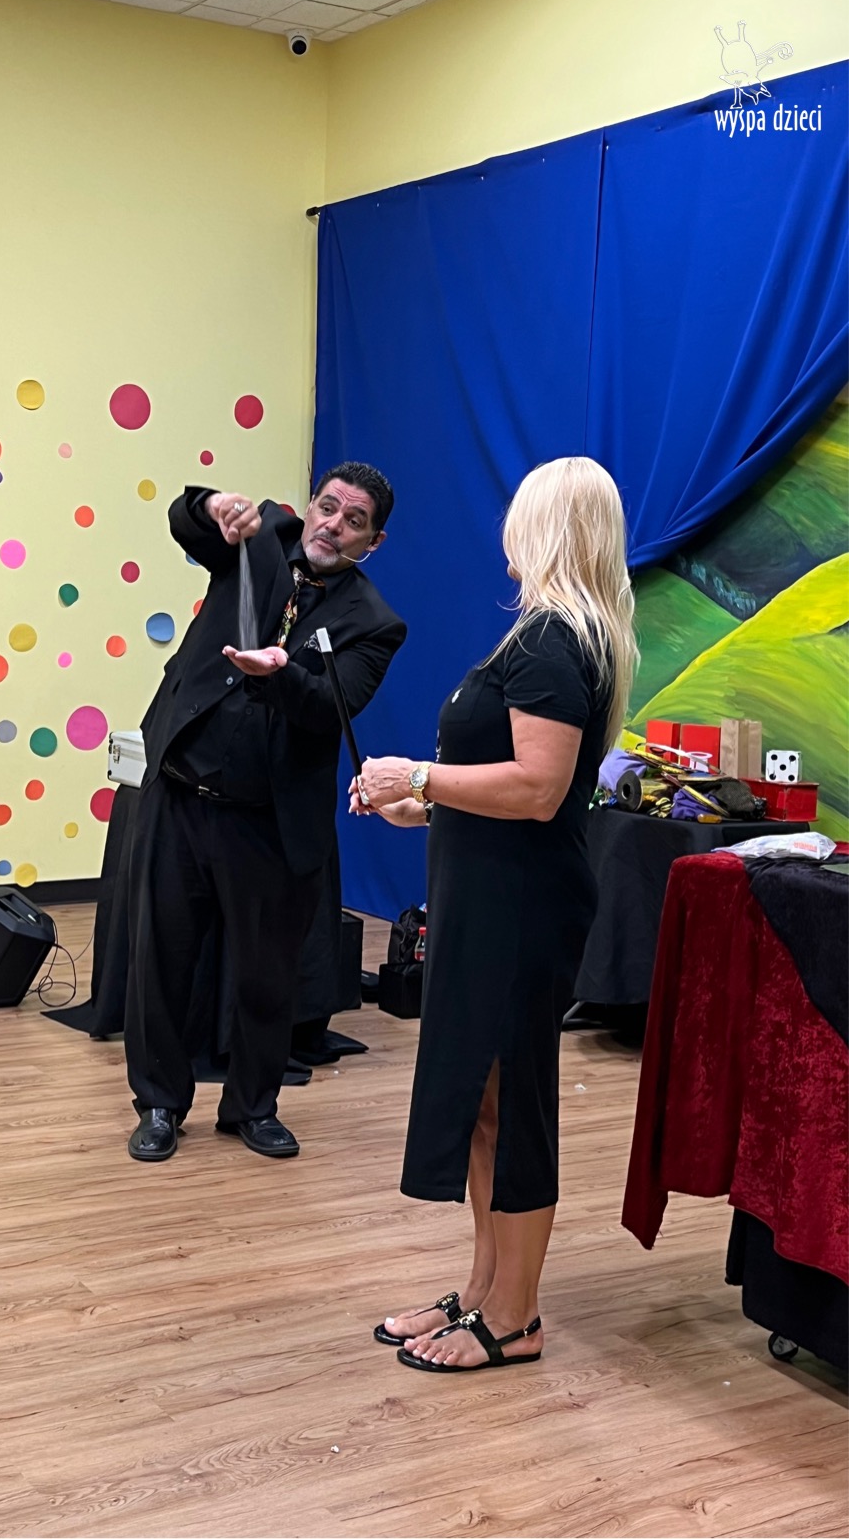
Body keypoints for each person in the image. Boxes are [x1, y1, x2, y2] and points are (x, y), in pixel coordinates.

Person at [351, 456, 637, 1372]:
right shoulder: (549, 637)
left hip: (519, 912)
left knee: (512, 1108)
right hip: (492, 900)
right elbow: (509, 788)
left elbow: (539, 788)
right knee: (484, 1100)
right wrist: (422, 806)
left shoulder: (552, 641)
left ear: (541, 527)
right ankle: (481, 1290)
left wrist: (418, 774)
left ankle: (515, 1316)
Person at [124, 464, 407, 1162]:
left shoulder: (374, 623)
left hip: (267, 822)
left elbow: (328, 708)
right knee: (161, 962)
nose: (332, 526)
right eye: (327, 507)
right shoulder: (259, 541)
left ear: (372, 543)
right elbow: (185, 520)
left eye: (353, 521)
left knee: (264, 976)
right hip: (180, 795)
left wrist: (280, 674)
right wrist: (211, 504)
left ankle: (251, 1107)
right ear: (310, 506)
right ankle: (158, 1104)